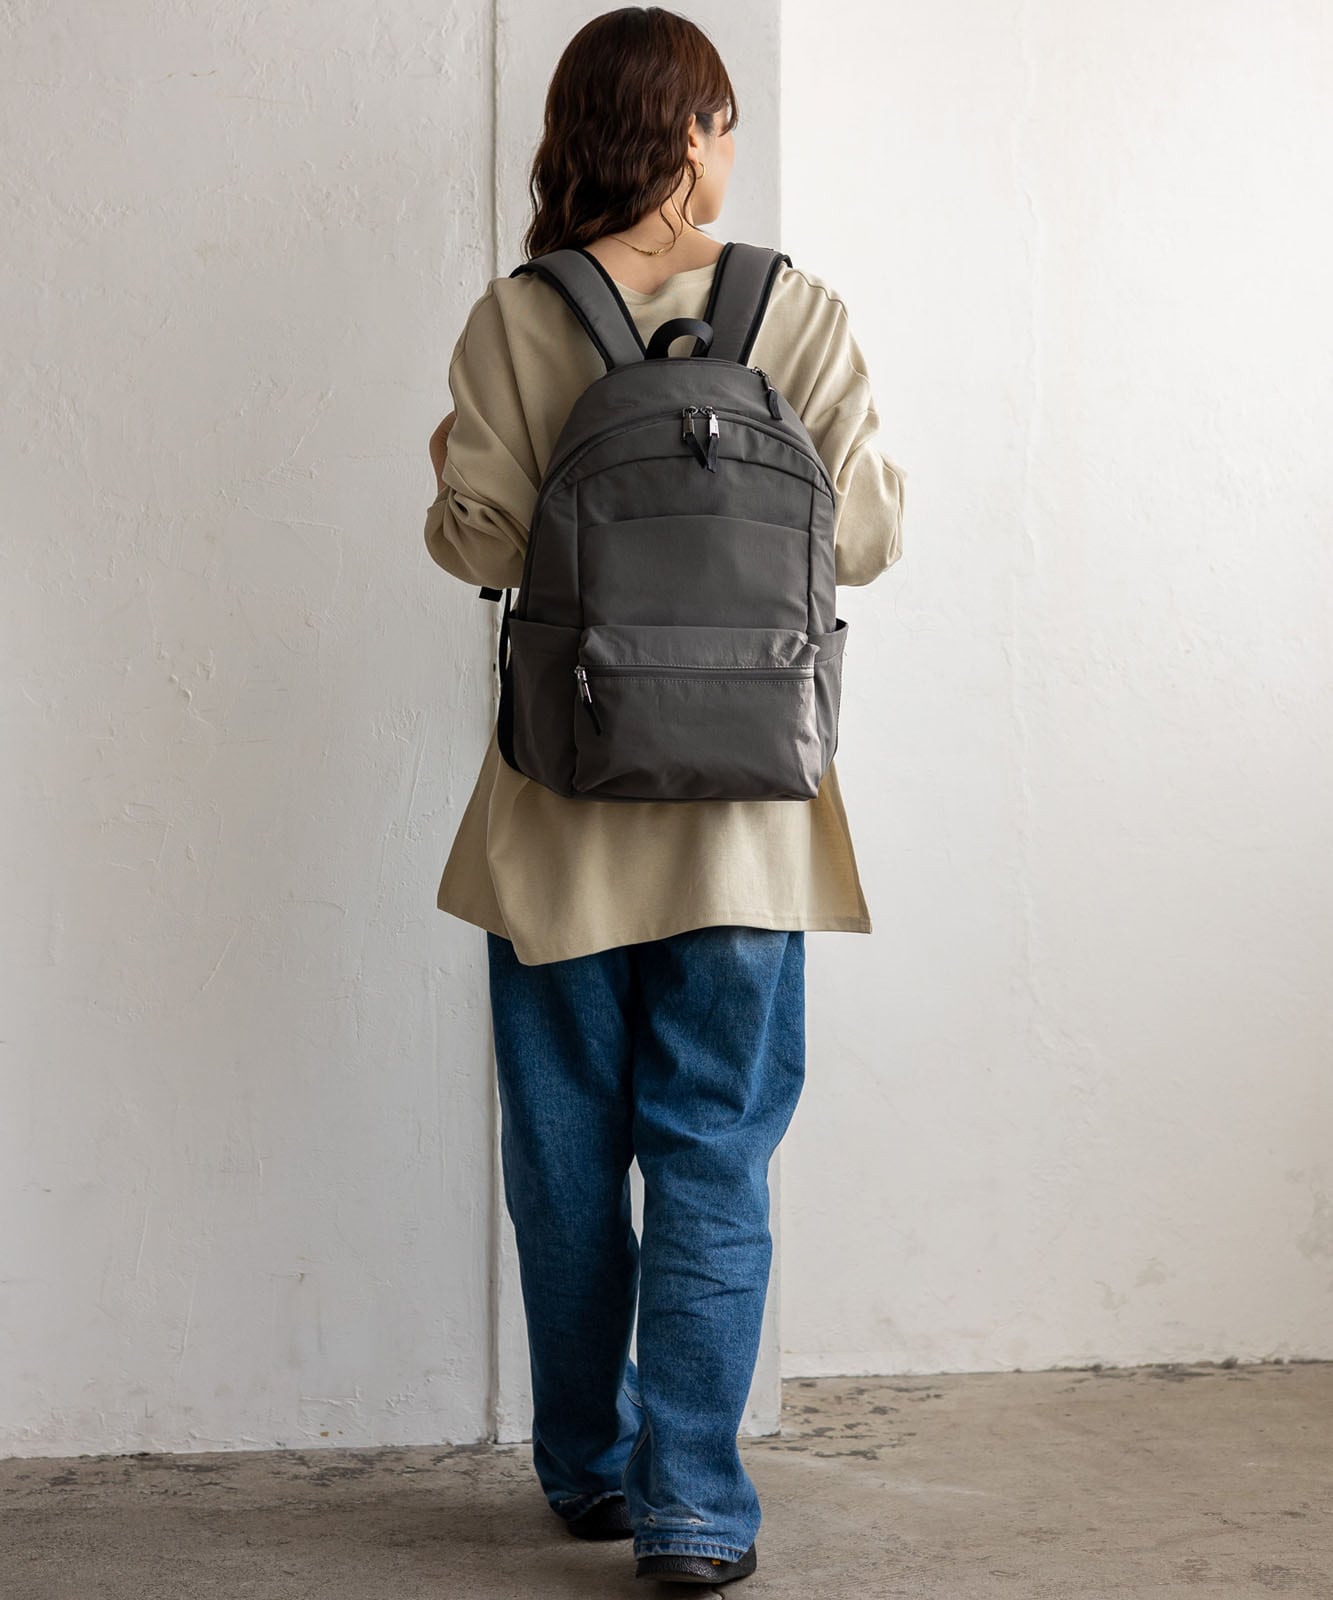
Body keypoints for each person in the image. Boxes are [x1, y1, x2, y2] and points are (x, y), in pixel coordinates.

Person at [422, 7, 905, 1586]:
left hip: (559, 817)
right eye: (723, 123)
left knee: (567, 1166)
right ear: (692, 135)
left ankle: (587, 1467)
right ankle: (692, 1507)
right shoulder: (796, 309)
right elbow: (866, 540)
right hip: (748, 826)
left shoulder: (517, 318)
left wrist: (457, 470)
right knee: (713, 1157)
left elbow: (480, 543)